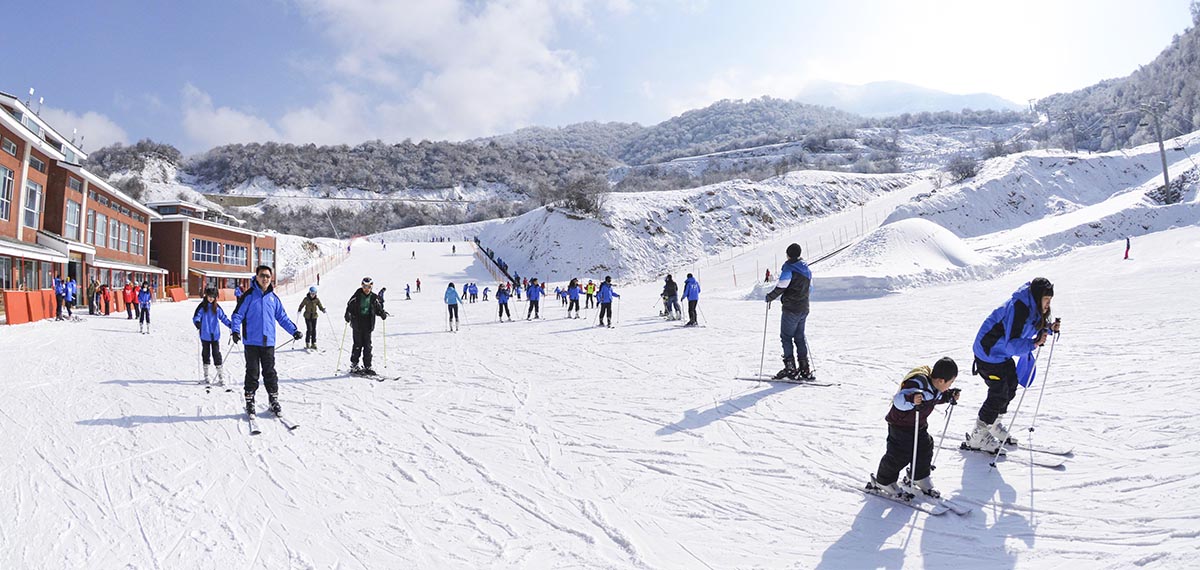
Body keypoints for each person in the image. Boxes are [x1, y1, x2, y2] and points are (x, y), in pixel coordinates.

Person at [964, 277, 1061, 453]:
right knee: (999, 393)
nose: (1048, 304)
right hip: (988, 353)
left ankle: (993, 424)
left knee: (1011, 386)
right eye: (1046, 300)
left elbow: (1029, 327)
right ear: (1038, 296)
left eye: (1049, 300)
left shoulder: (1031, 306)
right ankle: (977, 437)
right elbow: (1012, 343)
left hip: (1000, 353)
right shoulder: (1020, 308)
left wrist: (1047, 329)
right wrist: (1033, 344)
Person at [867, 358, 961, 499]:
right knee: (899, 454)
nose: (950, 385)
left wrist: (949, 396)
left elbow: (937, 397)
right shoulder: (918, 384)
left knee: (925, 446)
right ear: (941, 381)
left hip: (918, 424)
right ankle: (883, 480)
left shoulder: (935, 388)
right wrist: (912, 399)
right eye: (950, 383)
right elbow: (899, 400)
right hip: (900, 425)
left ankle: (919, 476)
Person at [231, 265, 302, 416]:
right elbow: (237, 315)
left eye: (268, 276)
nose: (265, 279)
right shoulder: (249, 296)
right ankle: (250, 401)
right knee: (253, 372)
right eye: (262, 275)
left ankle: (273, 401)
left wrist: (294, 331)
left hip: (268, 342)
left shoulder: (273, 298)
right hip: (251, 342)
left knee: (270, 372)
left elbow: (282, 317)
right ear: (256, 277)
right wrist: (235, 330)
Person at [765, 243, 813, 379]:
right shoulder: (806, 269)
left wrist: (770, 297)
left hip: (791, 308)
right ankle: (805, 368)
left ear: (788, 254)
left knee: (786, 337)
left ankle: (790, 368)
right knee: (799, 337)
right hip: (804, 307)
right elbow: (811, 288)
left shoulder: (789, 267)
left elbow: (782, 286)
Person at [344, 277, 388, 375]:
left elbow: (378, 308)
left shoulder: (373, 297)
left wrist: (382, 313)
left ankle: (368, 365)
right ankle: (354, 364)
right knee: (357, 345)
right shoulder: (357, 295)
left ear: (371, 287)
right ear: (362, 286)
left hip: (368, 324)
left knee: (367, 346)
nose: (366, 289)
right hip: (357, 323)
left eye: (368, 287)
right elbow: (349, 306)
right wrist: (347, 314)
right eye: (364, 286)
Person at [193, 287, 233, 386]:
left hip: (215, 335)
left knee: (217, 355)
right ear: (206, 296)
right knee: (206, 354)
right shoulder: (202, 307)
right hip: (205, 335)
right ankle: (206, 376)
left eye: (213, 297)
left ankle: (220, 377)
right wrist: (197, 323)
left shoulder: (217, 308)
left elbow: (223, 317)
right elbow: (196, 316)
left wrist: (231, 325)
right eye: (209, 296)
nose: (211, 299)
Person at [298, 286, 327, 350]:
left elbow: (320, 306)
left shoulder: (317, 300)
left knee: (314, 329)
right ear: (309, 293)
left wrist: (323, 310)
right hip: (307, 316)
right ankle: (307, 342)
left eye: (314, 294)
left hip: (314, 316)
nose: (312, 295)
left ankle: (314, 343)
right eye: (311, 293)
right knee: (309, 329)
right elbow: (302, 305)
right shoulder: (306, 299)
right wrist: (299, 309)